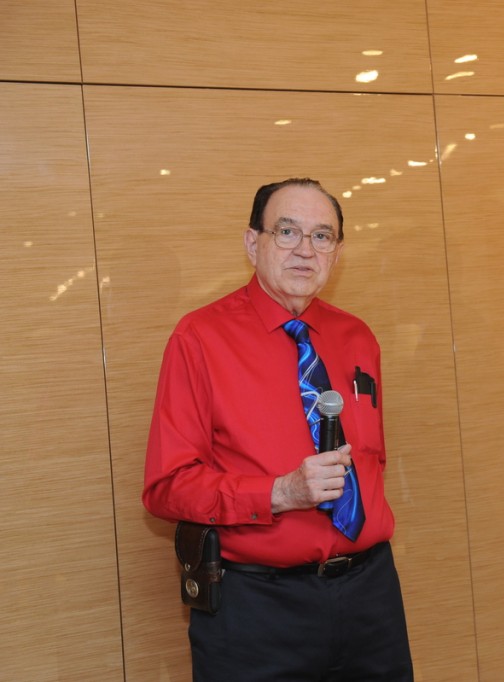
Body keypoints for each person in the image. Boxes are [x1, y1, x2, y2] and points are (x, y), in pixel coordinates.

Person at [143, 178, 414, 681]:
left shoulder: (357, 336)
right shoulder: (199, 338)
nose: (305, 251)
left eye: (322, 236)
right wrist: (280, 492)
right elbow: (167, 486)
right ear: (253, 243)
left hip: (371, 596)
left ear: (338, 252)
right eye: (287, 231)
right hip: (258, 608)